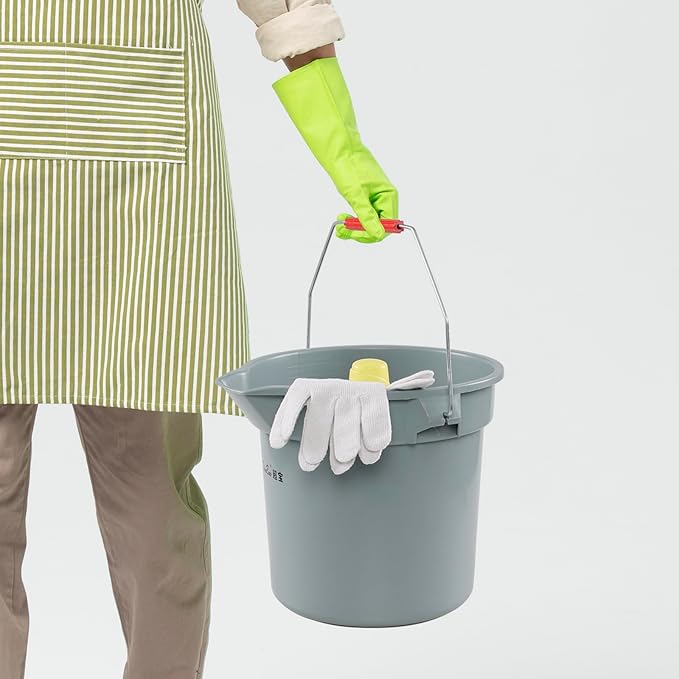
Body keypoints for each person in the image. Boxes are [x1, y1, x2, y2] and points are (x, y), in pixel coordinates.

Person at [0, 0, 398, 676]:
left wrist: (343, 147)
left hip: (144, 192)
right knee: (152, 503)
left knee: (153, 506)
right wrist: (341, 144)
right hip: (142, 144)